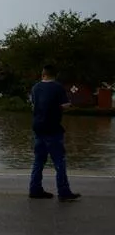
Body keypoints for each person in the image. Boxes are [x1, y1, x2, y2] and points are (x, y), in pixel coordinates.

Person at [28, 64, 81, 202]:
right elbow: (65, 105)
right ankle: (64, 192)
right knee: (59, 161)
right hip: (53, 129)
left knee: (38, 160)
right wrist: (68, 105)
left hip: (38, 128)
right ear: (54, 75)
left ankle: (35, 189)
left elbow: (33, 106)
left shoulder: (35, 88)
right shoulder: (58, 87)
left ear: (43, 74)